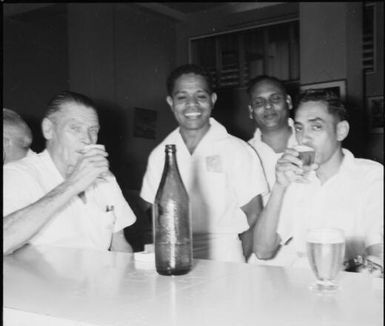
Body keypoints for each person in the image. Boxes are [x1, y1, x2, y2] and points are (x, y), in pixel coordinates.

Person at [140, 64, 267, 262]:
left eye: (201, 96)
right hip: (175, 255)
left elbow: (255, 215)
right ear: (170, 102)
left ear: (212, 100)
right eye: (182, 97)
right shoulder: (159, 155)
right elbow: (153, 212)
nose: (192, 104)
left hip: (226, 257)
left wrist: (239, 263)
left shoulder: (237, 150)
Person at [252, 89, 383, 269]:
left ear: (341, 131)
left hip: (351, 281)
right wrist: (280, 186)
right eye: (299, 128)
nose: (304, 137)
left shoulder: (370, 176)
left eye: (316, 127)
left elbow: (378, 248)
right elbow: (262, 250)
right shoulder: (296, 178)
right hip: (301, 285)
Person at [3, 91, 136, 255]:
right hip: (45, 280)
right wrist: (73, 184)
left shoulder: (104, 177)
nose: (87, 139)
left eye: (93, 130)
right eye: (75, 128)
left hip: (99, 278)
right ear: (49, 129)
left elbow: (120, 245)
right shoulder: (18, 175)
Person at [247, 75, 297, 204]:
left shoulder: (311, 143)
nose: (268, 106)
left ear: (289, 101)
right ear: (251, 111)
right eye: (259, 102)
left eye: (275, 99)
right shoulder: (244, 155)